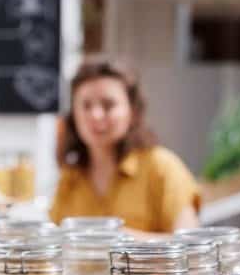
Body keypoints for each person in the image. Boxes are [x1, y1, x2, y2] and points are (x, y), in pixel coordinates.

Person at [50, 57, 201, 234]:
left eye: (108, 105)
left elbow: (191, 246)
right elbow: (56, 244)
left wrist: (124, 241)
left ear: (133, 111)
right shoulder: (70, 177)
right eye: (86, 105)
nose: (96, 115)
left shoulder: (162, 167)